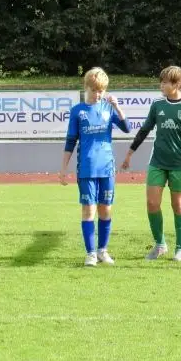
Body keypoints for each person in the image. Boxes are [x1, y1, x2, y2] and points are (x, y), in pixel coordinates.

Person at [121, 66, 181, 261]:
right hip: (157, 162)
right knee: (152, 203)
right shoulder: (157, 105)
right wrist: (129, 154)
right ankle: (160, 245)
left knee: (178, 205)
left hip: (180, 163)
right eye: (161, 81)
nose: (161, 85)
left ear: (177, 84)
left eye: (165, 82)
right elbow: (145, 130)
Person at [59, 67, 130, 266]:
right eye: (95, 90)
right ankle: (90, 253)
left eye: (102, 90)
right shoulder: (78, 111)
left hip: (107, 168)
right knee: (88, 211)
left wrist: (117, 108)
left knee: (105, 210)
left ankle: (102, 251)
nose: (98, 94)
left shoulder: (108, 108)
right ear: (86, 88)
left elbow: (127, 128)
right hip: (86, 169)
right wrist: (63, 169)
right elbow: (70, 142)